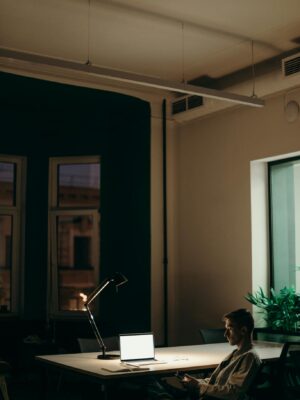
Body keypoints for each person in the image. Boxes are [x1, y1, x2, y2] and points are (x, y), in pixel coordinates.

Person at [149, 308, 261, 400]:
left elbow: (233, 392)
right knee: (154, 384)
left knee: (153, 391)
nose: (225, 334)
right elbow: (217, 381)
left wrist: (198, 386)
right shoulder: (236, 353)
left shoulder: (249, 357)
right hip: (203, 395)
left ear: (243, 330)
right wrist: (195, 381)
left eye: (230, 329)